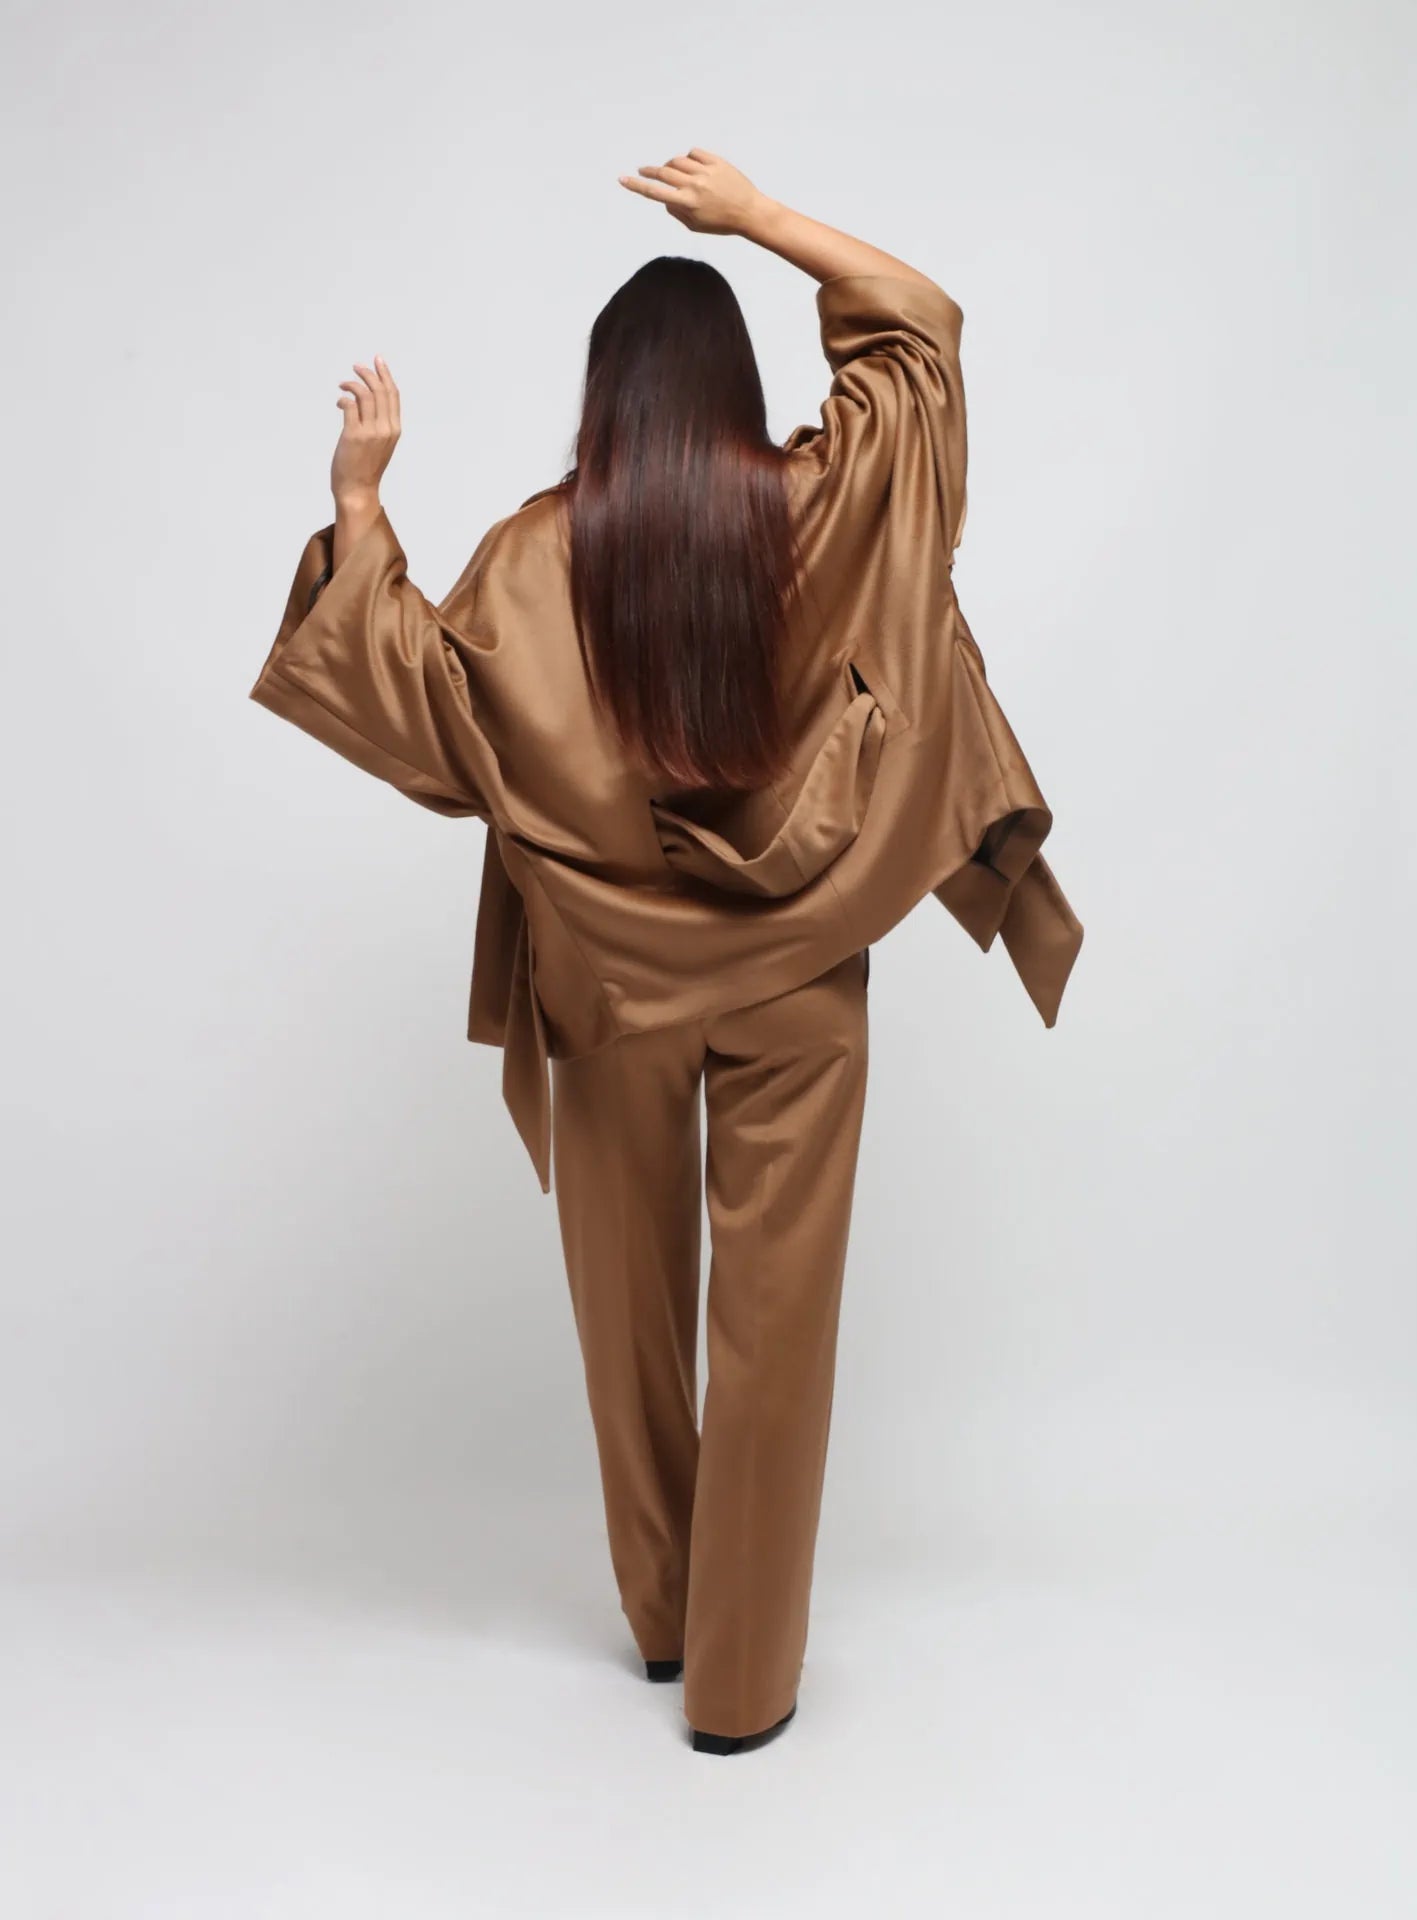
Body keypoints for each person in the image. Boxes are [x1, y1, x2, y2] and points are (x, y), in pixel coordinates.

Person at [249, 150, 1083, 1756]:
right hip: (798, 983)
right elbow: (922, 340)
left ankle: (659, 1618)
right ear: (734, 384)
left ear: (602, 399)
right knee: (778, 1333)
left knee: (627, 1306)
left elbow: (430, 717)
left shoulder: (530, 557)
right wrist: (763, 221)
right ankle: (741, 1686)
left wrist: (361, 505)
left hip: (611, 984)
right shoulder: (820, 508)